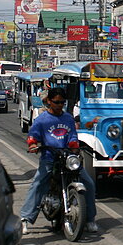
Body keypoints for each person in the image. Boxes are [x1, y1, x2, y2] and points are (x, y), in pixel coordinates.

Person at [20, 87, 98, 235]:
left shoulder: (68, 118)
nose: (59, 105)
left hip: (67, 158)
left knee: (88, 183)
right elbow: (33, 136)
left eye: (62, 102)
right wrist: (33, 145)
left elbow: (72, 136)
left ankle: (89, 219)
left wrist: (74, 147)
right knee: (38, 184)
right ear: (49, 101)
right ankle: (25, 219)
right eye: (56, 102)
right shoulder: (42, 120)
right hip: (49, 158)